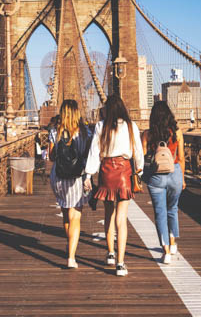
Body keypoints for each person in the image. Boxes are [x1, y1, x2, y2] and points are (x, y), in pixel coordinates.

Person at [84, 94, 144, 276]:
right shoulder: (132, 126)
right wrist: (139, 171)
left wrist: (88, 174)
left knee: (108, 213)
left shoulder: (101, 126)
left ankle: (110, 253)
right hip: (124, 172)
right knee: (122, 218)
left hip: (106, 171)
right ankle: (120, 263)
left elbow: (95, 152)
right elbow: (138, 152)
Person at [49, 99, 92, 269]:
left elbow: (51, 157)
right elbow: (88, 155)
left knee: (66, 214)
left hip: (58, 177)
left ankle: (70, 245)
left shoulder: (55, 131)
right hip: (76, 177)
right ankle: (71, 257)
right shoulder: (85, 132)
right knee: (76, 216)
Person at [141, 101, 186, 264]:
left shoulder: (147, 134)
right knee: (172, 209)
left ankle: (166, 250)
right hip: (174, 173)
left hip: (156, 176)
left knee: (160, 213)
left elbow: (143, 159)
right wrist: (183, 179)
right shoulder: (177, 132)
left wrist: (143, 178)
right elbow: (181, 158)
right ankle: (173, 242)